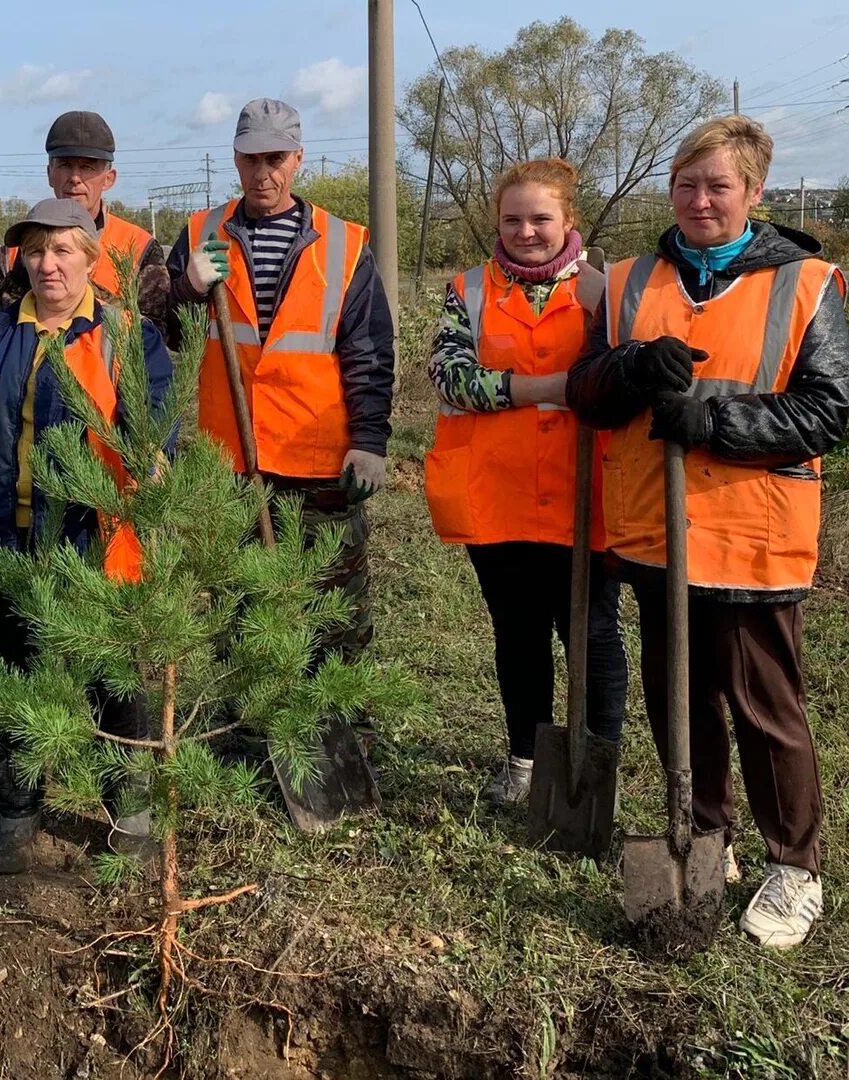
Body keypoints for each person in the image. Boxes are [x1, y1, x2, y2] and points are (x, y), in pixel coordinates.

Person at [567, 116, 849, 948]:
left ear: (753, 194)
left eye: (717, 186)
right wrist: (627, 369)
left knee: (765, 706)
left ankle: (794, 865)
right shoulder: (625, 282)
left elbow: (827, 412)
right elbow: (586, 393)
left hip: (753, 535)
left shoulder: (808, 283)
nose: (698, 201)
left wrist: (713, 419)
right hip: (656, 530)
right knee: (674, 693)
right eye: (685, 184)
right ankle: (705, 829)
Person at [0, 198, 173, 874]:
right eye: (34, 252)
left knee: (111, 676)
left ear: (90, 257)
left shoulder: (126, 337)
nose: (47, 265)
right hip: (1, 533)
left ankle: (126, 803)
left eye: (61, 251)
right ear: (18, 261)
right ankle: (17, 804)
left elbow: (156, 432)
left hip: (92, 538)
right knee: (7, 670)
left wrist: (153, 456)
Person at [424, 158, 628, 807]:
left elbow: (626, 382)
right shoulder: (469, 290)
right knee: (516, 632)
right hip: (497, 494)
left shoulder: (607, 294)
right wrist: (543, 388)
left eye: (540, 217)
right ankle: (524, 757)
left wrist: (557, 388)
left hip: (586, 496)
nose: (525, 231)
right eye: (511, 219)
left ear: (568, 219)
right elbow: (449, 374)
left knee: (592, 634)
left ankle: (597, 767)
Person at [166, 97, 394, 670]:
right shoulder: (200, 234)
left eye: (274, 159)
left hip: (318, 464)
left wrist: (369, 442)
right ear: (235, 161)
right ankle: (251, 746)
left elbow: (368, 350)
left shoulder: (343, 245)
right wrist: (186, 290)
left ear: (298, 159)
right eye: (250, 159)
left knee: (334, 615)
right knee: (243, 618)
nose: (262, 173)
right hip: (234, 463)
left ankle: (340, 738)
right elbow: (164, 333)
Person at [0, 110, 168, 335]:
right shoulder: (16, 250)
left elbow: (156, 335)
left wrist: (77, 291)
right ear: (49, 174)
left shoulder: (139, 247)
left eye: (87, 167)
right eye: (65, 165)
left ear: (109, 178)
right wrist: (22, 278)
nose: (75, 177)